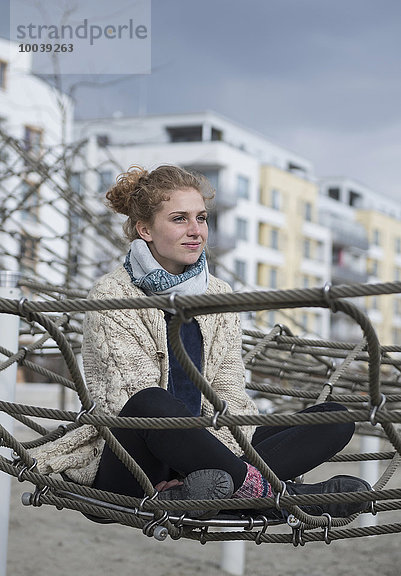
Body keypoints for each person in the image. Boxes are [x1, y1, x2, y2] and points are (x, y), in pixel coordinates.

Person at [32, 165, 371, 519]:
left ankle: (210, 493)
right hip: (133, 468)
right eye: (179, 219)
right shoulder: (113, 294)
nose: (196, 231)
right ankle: (276, 497)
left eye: (202, 218)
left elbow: (231, 392)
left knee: (336, 418)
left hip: (212, 450)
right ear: (145, 229)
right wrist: (202, 460)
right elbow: (127, 403)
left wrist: (214, 460)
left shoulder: (217, 294)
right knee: (150, 402)